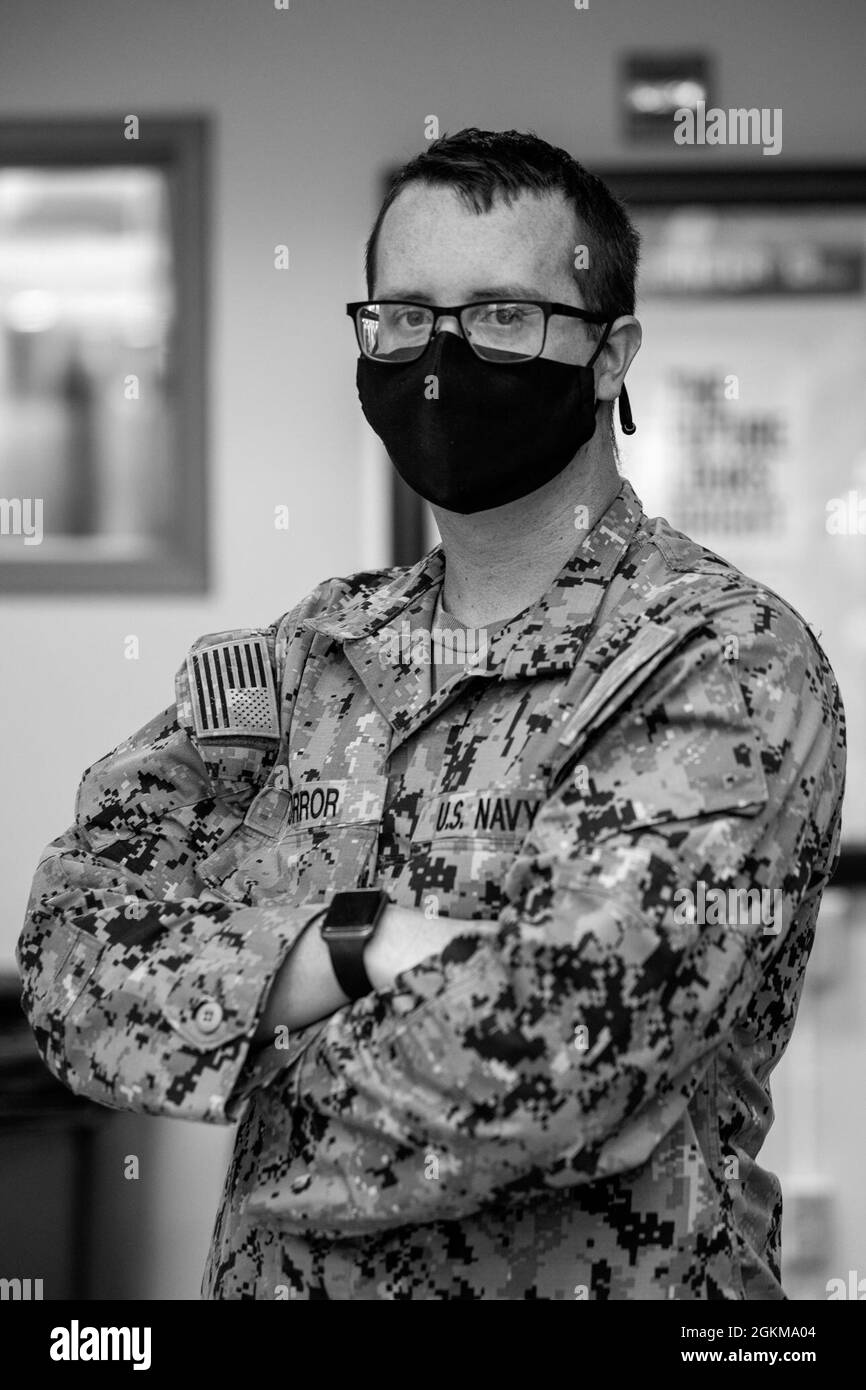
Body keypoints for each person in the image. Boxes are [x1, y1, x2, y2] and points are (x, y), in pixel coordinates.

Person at [18, 128, 846, 1300]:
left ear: (610, 357)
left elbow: (561, 1057)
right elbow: (68, 952)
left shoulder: (717, 657)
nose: (440, 357)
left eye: (501, 315)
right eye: (402, 316)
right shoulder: (308, 654)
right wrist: (345, 947)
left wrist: (232, 1053)